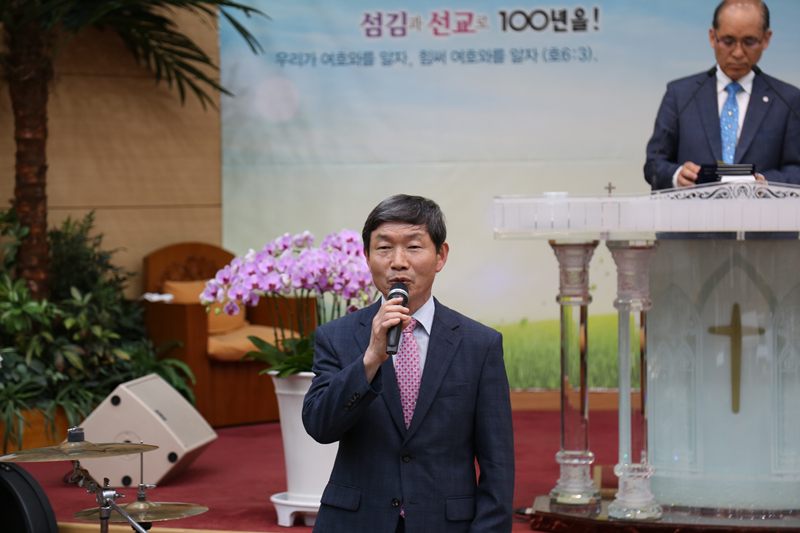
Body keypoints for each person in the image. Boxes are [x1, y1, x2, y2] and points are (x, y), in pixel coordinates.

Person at [302, 195, 515, 533]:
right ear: (366, 256)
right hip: (355, 523)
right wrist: (370, 359)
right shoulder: (336, 337)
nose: (398, 262)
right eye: (384, 248)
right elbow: (320, 427)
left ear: (440, 255)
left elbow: (498, 463)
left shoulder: (480, 344)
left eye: (414, 247)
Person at [644, 0, 800, 190]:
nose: (738, 53)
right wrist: (677, 176)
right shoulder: (680, 95)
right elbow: (654, 163)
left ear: (766, 39)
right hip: (693, 207)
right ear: (712, 37)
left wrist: (765, 183)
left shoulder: (787, 100)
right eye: (728, 41)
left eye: (749, 42)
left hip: (761, 208)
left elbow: (797, 169)